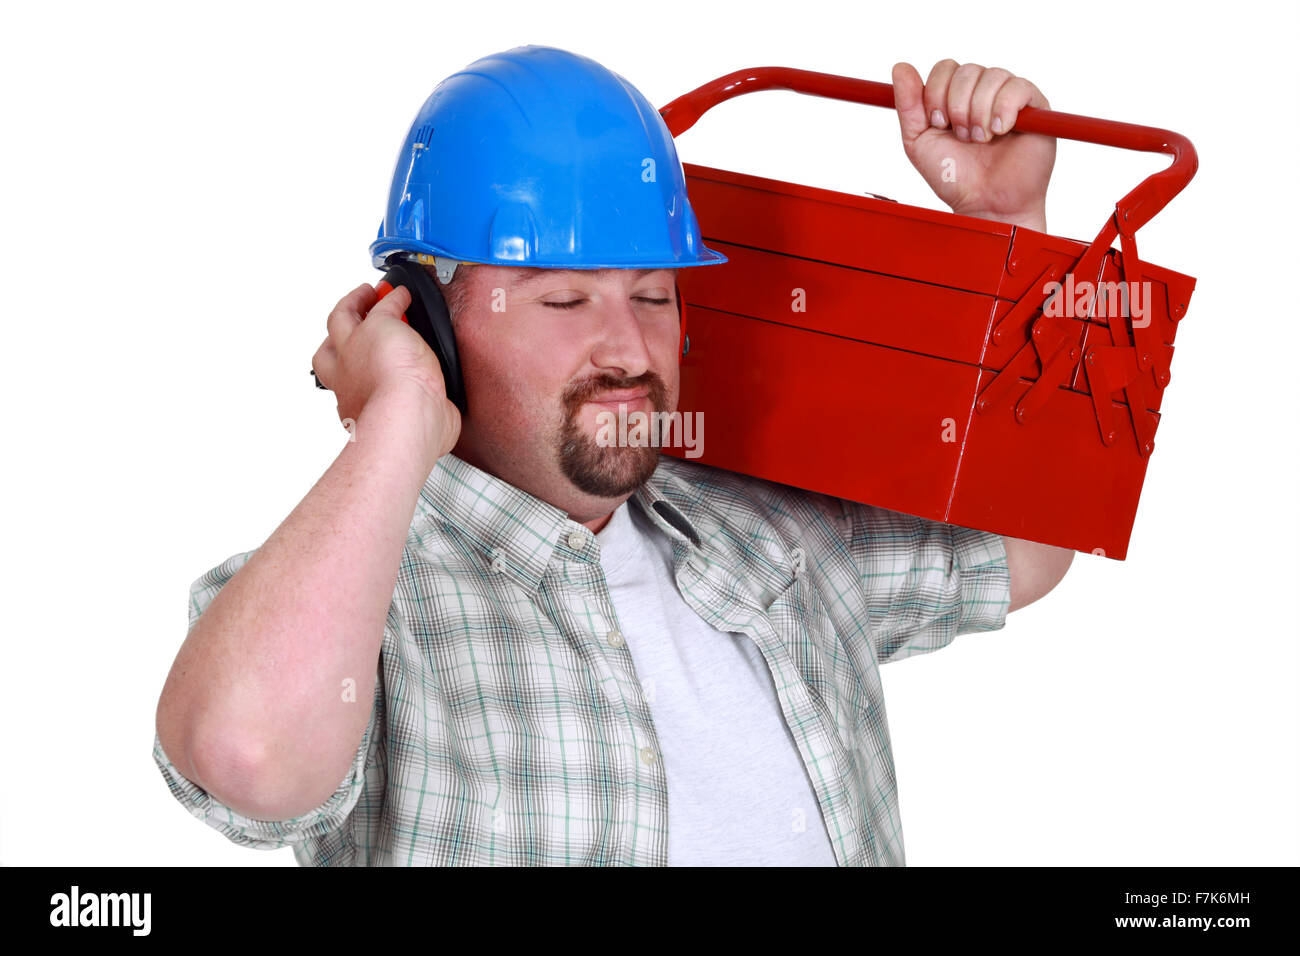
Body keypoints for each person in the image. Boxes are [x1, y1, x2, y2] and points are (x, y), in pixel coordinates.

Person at [152, 45, 1073, 866]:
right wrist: (398, 419)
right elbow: (249, 756)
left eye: (655, 296)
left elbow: (1025, 546)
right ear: (429, 325)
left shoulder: (771, 539)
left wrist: (1016, 229)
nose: (629, 350)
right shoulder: (361, 599)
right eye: (563, 303)